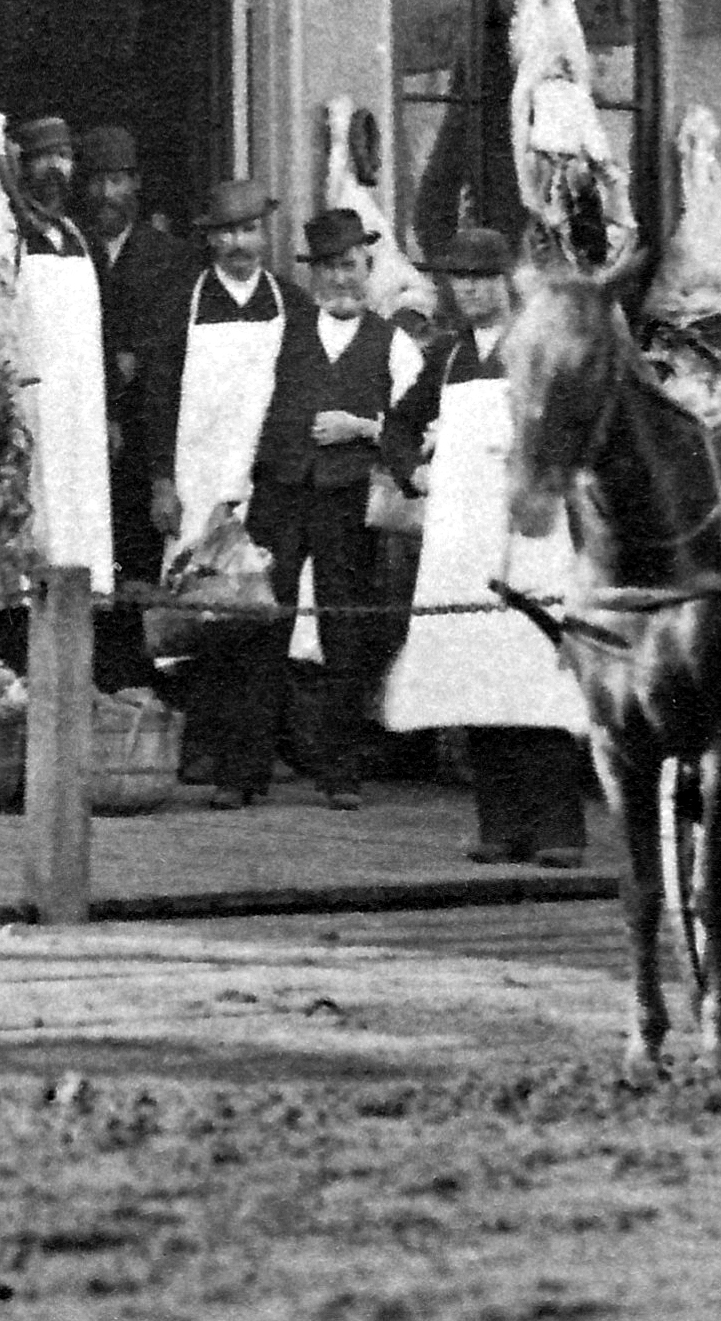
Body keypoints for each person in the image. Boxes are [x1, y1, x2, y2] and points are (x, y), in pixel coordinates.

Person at [176, 205, 425, 811]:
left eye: (351, 266)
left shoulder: (393, 345)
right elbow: (249, 417)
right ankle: (241, 774)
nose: (342, 280)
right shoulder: (281, 334)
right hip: (280, 493)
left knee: (344, 630)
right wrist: (230, 497)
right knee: (258, 626)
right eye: (330, 270)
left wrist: (362, 427)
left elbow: (419, 429)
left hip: (346, 501)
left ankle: (340, 772)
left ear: (368, 268)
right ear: (313, 277)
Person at [379, 225, 586, 866]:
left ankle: (559, 831)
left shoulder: (543, 348)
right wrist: (411, 469)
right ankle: (498, 825)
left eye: (481, 278)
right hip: (463, 539)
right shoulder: (446, 356)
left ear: (508, 281)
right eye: (459, 279)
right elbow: (398, 424)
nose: (469, 290)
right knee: (477, 674)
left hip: (533, 535)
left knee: (536, 676)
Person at [148, 180, 297, 805]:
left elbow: (295, 400)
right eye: (227, 233)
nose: (239, 244)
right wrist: (162, 481)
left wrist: (264, 480)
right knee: (197, 616)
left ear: (266, 234)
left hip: (264, 486)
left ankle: (248, 768)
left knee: (257, 621)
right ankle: (202, 750)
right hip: (195, 479)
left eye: (249, 231)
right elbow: (157, 393)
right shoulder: (180, 301)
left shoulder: (293, 305)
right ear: (210, 238)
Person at [79, 125, 194, 688]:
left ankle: (139, 688)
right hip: (84, 436)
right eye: (98, 181)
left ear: (137, 185)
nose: (106, 194)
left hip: (146, 439)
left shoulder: (169, 259)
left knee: (140, 560)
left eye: (118, 180)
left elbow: (161, 357)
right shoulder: (71, 245)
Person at [9, 115, 115, 603]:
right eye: (44, 158)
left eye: (64, 158)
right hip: (30, 407)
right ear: (23, 164)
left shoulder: (78, 237)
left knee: (82, 523)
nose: (56, 168)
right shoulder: (9, 234)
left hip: (82, 408)